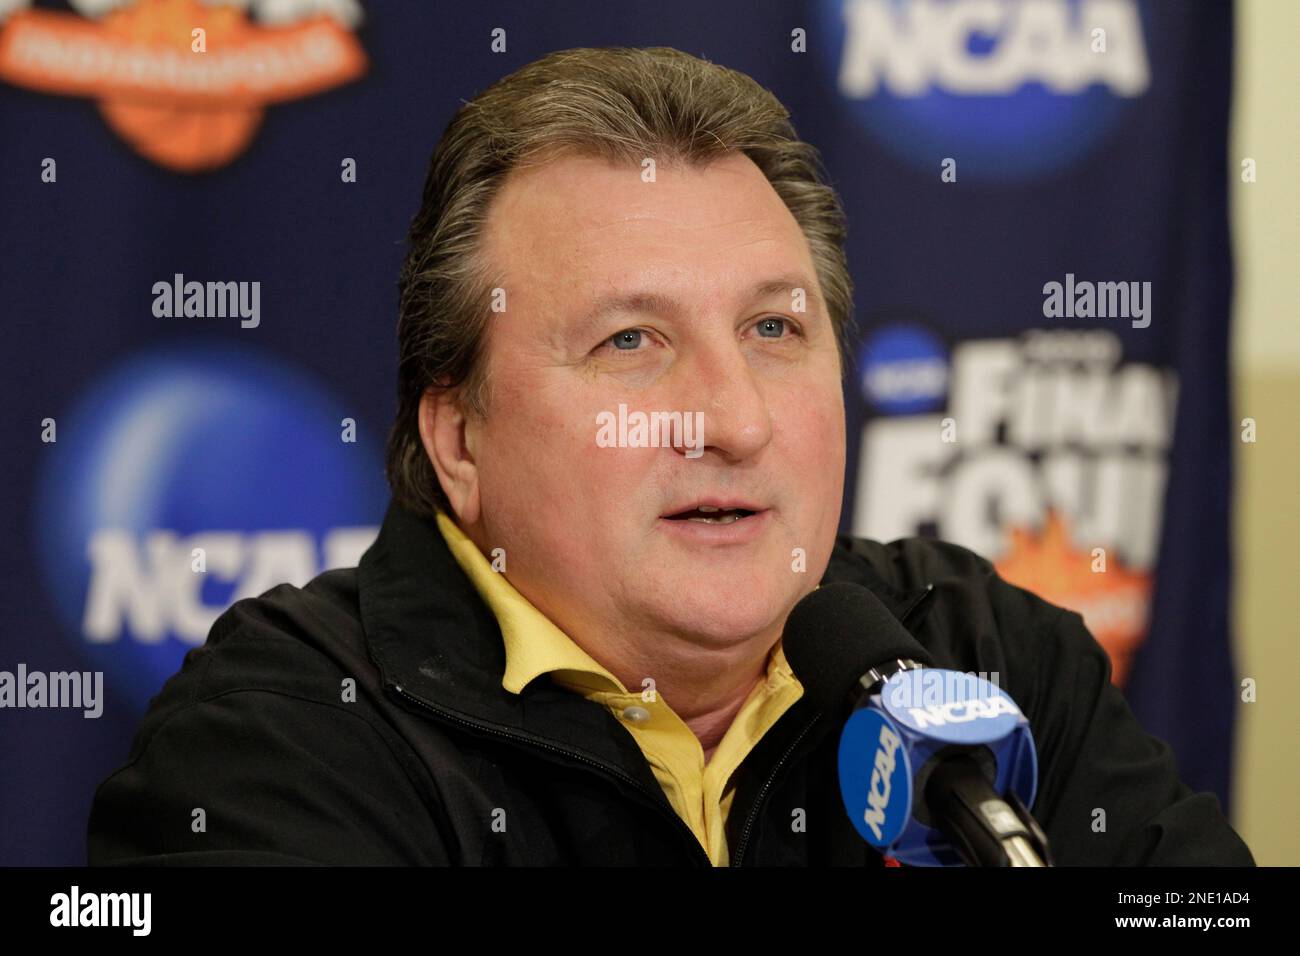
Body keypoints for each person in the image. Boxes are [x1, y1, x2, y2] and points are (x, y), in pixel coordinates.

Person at [87, 46, 1253, 867]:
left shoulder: (979, 657)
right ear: (459, 438)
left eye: (774, 330)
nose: (733, 420)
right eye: (631, 341)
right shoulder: (284, 728)